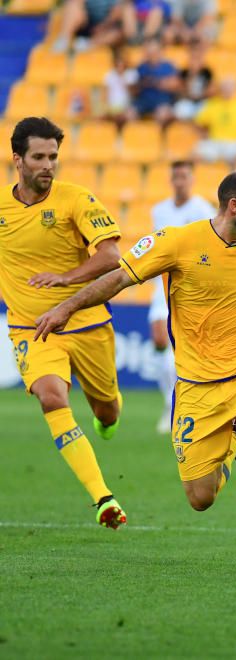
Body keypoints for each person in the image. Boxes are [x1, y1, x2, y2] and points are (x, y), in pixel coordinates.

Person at [35, 168, 236, 577]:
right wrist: (67, 306)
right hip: (195, 388)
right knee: (200, 498)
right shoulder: (179, 241)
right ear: (234, 206)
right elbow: (119, 278)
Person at [0, 117, 126, 529]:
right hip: (30, 327)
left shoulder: (76, 199)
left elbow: (110, 256)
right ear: (17, 159)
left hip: (87, 323)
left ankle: (106, 420)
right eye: (38, 157)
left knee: (107, 410)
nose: (48, 165)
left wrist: (67, 279)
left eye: (53, 157)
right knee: (52, 397)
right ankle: (103, 498)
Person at [148, 160, 216, 434]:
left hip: (190, 288)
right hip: (162, 285)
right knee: (159, 339)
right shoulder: (159, 211)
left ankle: (188, 404)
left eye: (184, 176)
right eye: (175, 177)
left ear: (192, 179)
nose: (180, 181)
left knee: (184, 350)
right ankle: (170, 402)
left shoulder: (202, 210)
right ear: (171, 180)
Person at [194, 78, 236, 165]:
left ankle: (235, 178)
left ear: (235, 89)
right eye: (225, 87)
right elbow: (199, 122)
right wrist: (203, 134)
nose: (227, 90)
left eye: (229, 87)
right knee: (196, 154)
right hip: (215, 141)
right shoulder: (212, 104)